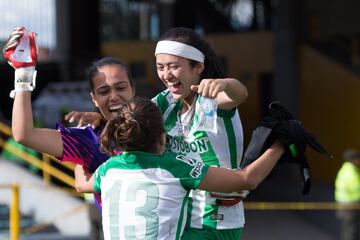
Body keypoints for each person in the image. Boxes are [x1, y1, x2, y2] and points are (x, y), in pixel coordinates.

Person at [74, 96, 285, 240]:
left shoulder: (108, 170)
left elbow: (81, 183)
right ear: (162, 137)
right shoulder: (175, 167)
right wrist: (282, 144)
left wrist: (80, 142)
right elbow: (247, 179)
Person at [3, 27, 136, 240]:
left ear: (133, 89)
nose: (114, 96)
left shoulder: (158, 124)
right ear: (93, 99)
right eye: (104, 91)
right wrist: (23, 74)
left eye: (121, 87)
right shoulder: (89, 138)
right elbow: (24, 134)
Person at [152, 27, 248, 239]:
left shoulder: (213, 101)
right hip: (178, 217)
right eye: (160, 67)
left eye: (174, 67)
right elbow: (133, 117)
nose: (166, 75)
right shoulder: (165, 103)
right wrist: (100, 116)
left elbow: (239, 94)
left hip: (214, 222)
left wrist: (226, 84)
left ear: (198, 67)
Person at [335, 148, 360, 240]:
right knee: (350, 231)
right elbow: (356, 189)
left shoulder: (347, 170)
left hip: (347, 205)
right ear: (353, 160)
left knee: (350, 229)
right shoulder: (350, 172)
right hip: (349, 206)